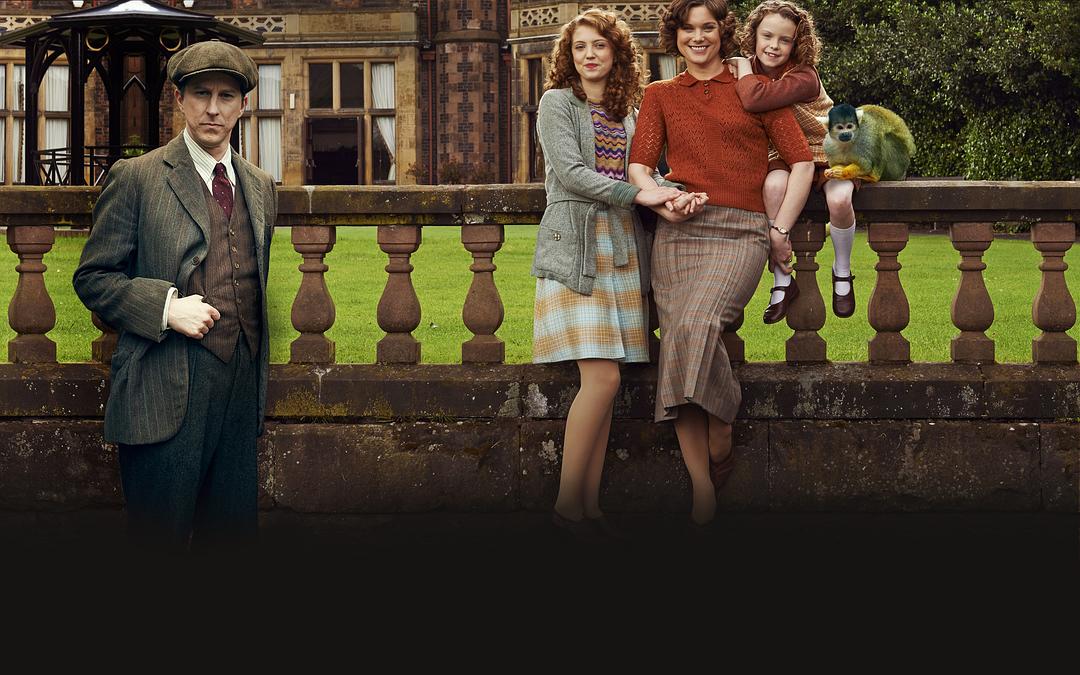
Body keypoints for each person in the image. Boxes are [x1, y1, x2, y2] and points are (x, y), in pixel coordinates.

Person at [73, 41, 278, 554]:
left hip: (240, 386)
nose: (213, 109)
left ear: (243, 105)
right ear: (180, 100)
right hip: (164, 385)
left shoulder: (259, 185)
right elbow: (94, 278)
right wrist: (165, 308)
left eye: (226, 96)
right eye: (201, 94)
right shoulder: (138, 177)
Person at [628, 0, 813, 525]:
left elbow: (801, 162)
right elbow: (639, 166)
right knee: (678, 337)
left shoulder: (753, 88)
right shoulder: (660, 95)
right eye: (687, 29)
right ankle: (701, 485)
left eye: (707, 27)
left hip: (741, 231)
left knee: (698, 322)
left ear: (722, 32)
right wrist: (662, 198)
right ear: (675, 35)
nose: (698, 37)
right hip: (679, 230)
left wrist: (779, 230)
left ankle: (723, 418)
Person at [532, 9, 699, 538]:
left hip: (623, 251)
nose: (589, 55)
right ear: (568, 55)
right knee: (600, 379)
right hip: (577, 249)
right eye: (579, 46)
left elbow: (646, 176)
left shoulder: (629, 114)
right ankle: (565, 504)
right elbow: (572, 174)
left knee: (608, 386)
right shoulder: (556, 103)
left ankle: (588, 507)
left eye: (599, 45)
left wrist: (676, 194)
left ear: (617, 53)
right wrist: (640, 195)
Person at [730, 0, 858, 323]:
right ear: (754, 35)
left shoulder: (804, 75)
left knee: (840, 200)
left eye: (784, 40)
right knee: (773, 187)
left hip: (826, 149)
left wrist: (742, 68)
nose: (774, 46)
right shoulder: (752, 67)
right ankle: (783, 278)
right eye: (767, 36)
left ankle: (842, 270)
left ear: (797, 43)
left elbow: (755, 98)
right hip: (784, 151)